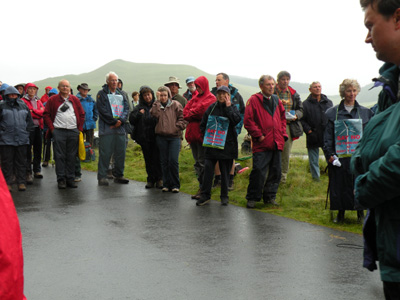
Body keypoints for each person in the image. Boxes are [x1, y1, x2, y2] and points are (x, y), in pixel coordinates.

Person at [351, 1, 400, 297]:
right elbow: (362, 152)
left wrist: (362, 188)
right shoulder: (390, 87)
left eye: (370, 26)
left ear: (397, 17)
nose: (367, 37)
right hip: (392, 251)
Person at [323, 79, 373, 223]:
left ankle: (360, 213)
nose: (352, 94)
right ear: (343, 92)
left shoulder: (366, 113)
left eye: (354, 90)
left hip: (358, 156)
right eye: (348, 91)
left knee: (358, 183)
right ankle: (340, 213)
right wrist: (330, 155)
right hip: (340, 157)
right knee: (340, 184)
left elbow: (370, 135)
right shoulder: (332, 113)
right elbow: (327, 136)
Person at [244, 75, 287, 209]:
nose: (271, 87)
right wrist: (259, 135)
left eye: (273, 84)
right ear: (261, 86)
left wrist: (283, 134)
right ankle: (252, 198)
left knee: (276, 172)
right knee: (258, 172)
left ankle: (269, 197)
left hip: (276, 142)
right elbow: (248, 121)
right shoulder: (254, 100)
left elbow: (283, 118)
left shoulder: (276, 100)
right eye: (268, 84)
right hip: (262, 143)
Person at [196, 85, 241, 206]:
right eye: (219, 94)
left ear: (228, 95)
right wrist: (207, 134)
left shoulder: (233, 107)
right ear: (217, 95)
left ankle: (224, 196)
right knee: (208, 170)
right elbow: (203, 124)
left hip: (227, 146)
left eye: (224, 94)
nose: (221, 96)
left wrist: (228, 107)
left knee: (225, 173)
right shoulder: (211, 108)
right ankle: (205, 195)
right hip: (211, 146)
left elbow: (236, 120)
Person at [43, 80, 85, 189]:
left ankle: (70, 179)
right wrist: (52, 129)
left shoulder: (74, 100)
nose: (65, 88)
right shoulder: (52, 100)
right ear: (58, 88)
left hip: (73, 131)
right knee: (59, 156)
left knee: (71, 156)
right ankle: (61, 179)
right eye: (63, 86)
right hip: (59, 131)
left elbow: (81, 114)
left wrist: (79, 129)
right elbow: (46, 114)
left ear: (70, 88)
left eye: (67, 86)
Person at [210, 72, 245, 190]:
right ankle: (218, 179)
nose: (216, 82)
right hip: (216, 133)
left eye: (219, 80)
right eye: (216, 80)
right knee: (216, 155)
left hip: (231, 132)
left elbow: (241, 113)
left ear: (227, 81)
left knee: (231, 156)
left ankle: (230, 180)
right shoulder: (213, 94)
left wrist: (237, 128)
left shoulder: (236, 95)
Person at [183, 76, 216, 199]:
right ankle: (201, 187)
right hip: (192, 135)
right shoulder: (195, 98)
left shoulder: (211, 98)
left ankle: (204, 189)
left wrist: (192, 112)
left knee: (203, 163)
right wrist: (193, 113)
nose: (197, 89)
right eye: (196, 86)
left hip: (203, 136)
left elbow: (201, 112)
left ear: (204, 85)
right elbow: (185, 112)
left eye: (199, 86)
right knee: (197, 163)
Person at [96, 72, 130, 186]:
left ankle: (119, 175)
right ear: (107, 82)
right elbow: (102, 111)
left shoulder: (122, 94)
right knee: (105, 153)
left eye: (116, 80)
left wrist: (121, 120)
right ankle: (102, 176)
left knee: (120, 152)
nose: (115, 82)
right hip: (107, 129)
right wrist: (114, 122)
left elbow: (126, 108)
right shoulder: (101, 94)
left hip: (120, 129)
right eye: (112, 80)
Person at [150, 86, 186, 193]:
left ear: (169, 95)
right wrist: (156, 101)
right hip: (161, 138)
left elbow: (183, 118)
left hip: (174, 137)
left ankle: (175, 185)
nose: (163, 97)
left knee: (173, 161)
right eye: (161, 95)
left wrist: (177, 127)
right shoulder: (157, 105)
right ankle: (166, 184)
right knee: (164, 162)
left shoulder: (176, 104)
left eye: (165, 95)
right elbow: (154, 114)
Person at [0, 86, 34, 192]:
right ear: (6, 95)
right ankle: (8, 183)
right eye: (11, 95)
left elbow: (29, 122)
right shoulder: (1, 106)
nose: (13, 96)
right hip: (6, 140)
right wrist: (2, 133)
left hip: (22, 139)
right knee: (7, 162)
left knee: (22, 162)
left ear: (18, 96)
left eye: (15, 95)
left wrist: (26, 132)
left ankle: (21, 182)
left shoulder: (23, 106)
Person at [129, 86, 162, 189]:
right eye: (145, 95)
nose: (147, 97)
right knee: (148, 160)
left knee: (158, 159)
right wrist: (139, 114)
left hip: (156, 137)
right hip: (144, 138)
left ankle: (160, 179)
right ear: (142, 97)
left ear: (152, 94)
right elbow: (131, 120)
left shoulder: (157, 106)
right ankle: (151, 179)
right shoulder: (139, 108)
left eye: (149, 94)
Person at [274, 71, 303, 183]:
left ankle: (282, 178)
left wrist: (296, 115)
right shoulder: (272, 91)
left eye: (287, 79)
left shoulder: (293, 94)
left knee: (285, 152)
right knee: (272, 150)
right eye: (283, 79)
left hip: (288, 125)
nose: (285, 81)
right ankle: (271, 176)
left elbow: (301, 110)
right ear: (278, 80)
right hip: (273, 125)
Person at [301, 82, 333, 181]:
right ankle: (316, 180)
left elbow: (332, 117)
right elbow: (302, 120)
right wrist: (309, 131)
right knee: (313, 160)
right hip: (313, 134)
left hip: (326, 134)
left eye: (319, 87)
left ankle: (332, 177)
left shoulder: (328, 102)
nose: (317, 89)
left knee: (330, 157)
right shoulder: (305, 104)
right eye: (315, 87)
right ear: (310, 89)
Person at [21, 83, 44, 182]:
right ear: (26, 90)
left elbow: (43, 112)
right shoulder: (23, 101)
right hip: (28, 128)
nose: (32, 91)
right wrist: (37, 112)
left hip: (38, 127)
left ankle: (37, 170)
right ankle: (28, 172)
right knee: (27, 150)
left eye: (34, 89)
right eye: (30, 89)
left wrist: (33, 111)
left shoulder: (38, 100)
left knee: (38, 149)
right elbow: (26, 114)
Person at [42, 88, 58, 167]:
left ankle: (56, 159)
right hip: (47, 128)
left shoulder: (59, 104)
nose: (52, 96)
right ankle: (46, 160)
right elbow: (44, 115)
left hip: (57, 127)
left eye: (54, 95)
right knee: (47, 144)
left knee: (57, 145)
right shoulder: (45, 104)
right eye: (51, 95)